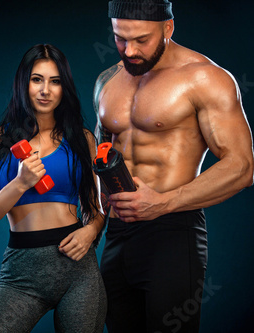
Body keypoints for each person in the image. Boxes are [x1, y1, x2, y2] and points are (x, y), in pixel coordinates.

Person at [94, 0, 254, 332]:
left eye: (141, 39)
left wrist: (164, 203)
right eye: (120, 38)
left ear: (168, 27)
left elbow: (242, 166)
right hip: (117, 234)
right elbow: (103, 150)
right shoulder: (107, 81)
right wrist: (95, 214)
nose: (130, 50)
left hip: (173, 231)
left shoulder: (205, 78)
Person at [0, 44, 107, 333]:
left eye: (55, 81)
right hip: (22, 272)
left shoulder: (82, 140)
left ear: (63, 87)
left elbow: (96, 210)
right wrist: (19, 183)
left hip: (78, 269)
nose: (45, 90)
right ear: (23, 83)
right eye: (37, 79)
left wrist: (91, 231)